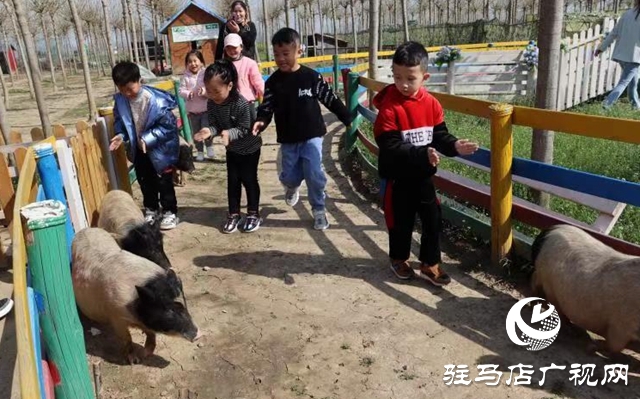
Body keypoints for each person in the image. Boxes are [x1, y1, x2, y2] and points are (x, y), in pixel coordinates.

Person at [373, 41, 479, 286]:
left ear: (425, 77)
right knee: (400, 222)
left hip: (423, 177)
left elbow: (439, 136)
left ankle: (430, 264)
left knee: (433, 219)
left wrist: (454, 147)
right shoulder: (389, 107)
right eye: (397, 77)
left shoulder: (431, 104)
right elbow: (390, 145)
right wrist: (423, 154)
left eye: (410, 78)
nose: (403, 84)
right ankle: (399, 259)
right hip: (397, 179)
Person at [252, 28, 352, 230]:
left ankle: (319, 210)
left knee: (314, 173)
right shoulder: (272, 83)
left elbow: (330, 99)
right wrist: (261, 121)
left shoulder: (311, 78)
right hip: (288, 138)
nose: (281, 59)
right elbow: (266, 107)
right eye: (277, 55)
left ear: (299, 51)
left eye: (286, 54)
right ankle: (292, 186)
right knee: (290, 176)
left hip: (312, 136)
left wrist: (347, 117)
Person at [109, 61, 181, 230]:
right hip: (138, 149)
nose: (127, 93)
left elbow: (168, 126)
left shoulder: (156, 101)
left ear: (139, 81)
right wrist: (120, 135)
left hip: (161, 149)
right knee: (145, 180)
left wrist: (148, 139)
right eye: (122, 89)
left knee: (164, 181)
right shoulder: (120, 101)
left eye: (130, 88)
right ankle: (152, 209)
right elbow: (121, 121)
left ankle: (170, 211)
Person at [194, 59, 263, 234]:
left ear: (230, 85)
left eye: (216, 91)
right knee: (233, 181)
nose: (212, 95)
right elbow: (215, 124)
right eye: (209, 91)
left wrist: (228, 133)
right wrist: (209, 131)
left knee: (249, 179)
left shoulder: (241, 103)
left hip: (249, 148)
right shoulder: (211, 103)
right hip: (232, 149)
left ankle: (253, 213)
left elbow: (246, 128)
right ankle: (234, 214)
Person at [595, 1, 640, 110]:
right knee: (624, 83)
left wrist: (601, 48)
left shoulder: (627, 14)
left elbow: (614, 33)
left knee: (633, 82)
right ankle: (606, 105)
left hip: (621, 55)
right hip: (634, 57)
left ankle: (636, 107)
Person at [179, 50, 214, 162]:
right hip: (193, 111)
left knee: (206, 130)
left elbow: (210, 87)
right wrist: (188, 94)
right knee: (196, 133)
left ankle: (209, 146)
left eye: (195, 61)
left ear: (201, 62)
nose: (193, 64)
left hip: (206, 109)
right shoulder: (185, 77)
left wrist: (204, 91)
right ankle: (199, 151)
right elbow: (181, 90)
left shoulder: (205, 74)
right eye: (190, 62)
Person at [223, 33, 265, 112]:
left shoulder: (250, 63)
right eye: (228, 48)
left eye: (234, 47)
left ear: (241, 47)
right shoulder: (223, 65)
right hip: (230, 105)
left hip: (248, 103)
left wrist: (267, 95)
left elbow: (258, 82)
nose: (232, 51)